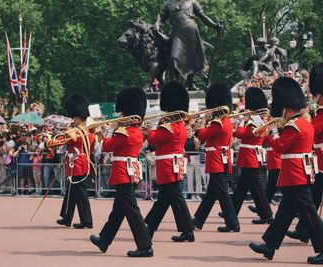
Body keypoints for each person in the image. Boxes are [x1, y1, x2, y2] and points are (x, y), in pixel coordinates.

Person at [249, 77, 323, 264]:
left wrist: (272, 132)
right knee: (284, 212)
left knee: (309, 214)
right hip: (297, 173)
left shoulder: (294, 126)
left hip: (295, 174)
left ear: (286, 106)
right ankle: (269, 245)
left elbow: (280, 147)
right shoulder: (305, 123)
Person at [90, 87, 153, 257]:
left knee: (131, 210)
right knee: (119, 210)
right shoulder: (135, 132)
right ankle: (104, 239)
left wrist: (102, 134)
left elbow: (107, 146)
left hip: (123, 173)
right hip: (129, 172)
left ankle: (145, 245)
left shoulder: (123, 132)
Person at [144, 81, 195, 242]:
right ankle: (150, 227)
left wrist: (150, 129)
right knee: (164, 199)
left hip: (167, 166)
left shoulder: (169, 126)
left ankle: (188, 231)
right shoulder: (178, 125)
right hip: (172, 164)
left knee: (175, 198)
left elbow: (153, 139)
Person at [192, 83, 240, 232]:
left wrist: (198, 126)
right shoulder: (226, 122)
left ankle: (233, 223)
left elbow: (203, 136)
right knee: (211, 193)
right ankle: (198, 219)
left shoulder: (218, 123)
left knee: (222, 193)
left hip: (216, 160)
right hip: (221, 158)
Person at [286, 63, 323, 244]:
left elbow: (310, 130)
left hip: (321, 163)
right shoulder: (318, 113)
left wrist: (303, 117)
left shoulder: (320, 115)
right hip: (317, 163)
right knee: (310, 198)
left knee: (309, 198)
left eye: (317, 95)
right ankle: (302, 230)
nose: (314, 98)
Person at [49, 94, 94, 229]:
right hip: (81, 163)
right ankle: (67, 217)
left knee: (80, 193)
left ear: (78, 117)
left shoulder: (74, 132)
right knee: (71, 192)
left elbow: (59, 141)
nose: (73, 120)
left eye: (74, 117)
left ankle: (87, 220)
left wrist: (48, 142)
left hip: (77, 165)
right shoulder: (90, 132)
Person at [154, 0, 222, 89]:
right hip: (177, 32)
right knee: (173, 58)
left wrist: (214, 25)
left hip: (191, 32)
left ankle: (192, 83)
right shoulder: (168, 4)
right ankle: (175, 83)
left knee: (192, 58)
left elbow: (203, 16)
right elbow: (162, 18)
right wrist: (157, 24)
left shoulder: (192, 2)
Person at [230, 87, 273, 224]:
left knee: (257, 189)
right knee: (241, 188)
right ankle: (231, 211)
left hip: (250, 157)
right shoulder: (258, 120)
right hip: (250, 156)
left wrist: (241, 122)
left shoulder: (254, 121)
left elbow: (242, 134)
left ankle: (266, 215)